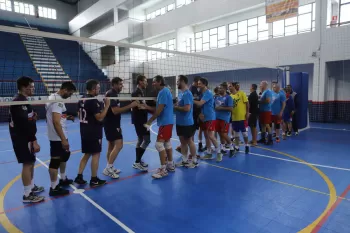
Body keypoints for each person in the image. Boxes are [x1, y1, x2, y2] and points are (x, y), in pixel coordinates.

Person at [9, 76, 44, 203]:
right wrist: (34, 140)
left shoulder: (23, 101)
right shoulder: (18, 101)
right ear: (24, 87)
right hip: (22, 139)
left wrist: (32, 117)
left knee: (31, 162)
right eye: (31, 86)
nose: (33, 88)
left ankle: (31, 186)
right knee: (27, 163)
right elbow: (23, 124)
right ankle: (27, 194)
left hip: (26, 137)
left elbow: (27, 119)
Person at [74, 79, 110, 187]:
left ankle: (79, 176)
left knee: (87, 154)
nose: (99, 90)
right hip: (93, 131)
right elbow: (99, 118)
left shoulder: (81, 99)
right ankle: (94, 179)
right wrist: (107, 105)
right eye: (98, 88)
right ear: (94, 89)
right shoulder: (93, 101)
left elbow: (78, 113)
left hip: (84, 130)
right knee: (96, 154)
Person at [103, 77, 139, 178]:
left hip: (110, 123)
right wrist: (131, 105)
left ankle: (109, 166)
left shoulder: (110, 93)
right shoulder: (112, 94)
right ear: (114, 84)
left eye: (121, 84)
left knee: (111, 145)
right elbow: (115, 111)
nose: (122, 86)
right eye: (120, 84)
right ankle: (108, 168)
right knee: (119, 145)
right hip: (111, 124)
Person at [45, 81, 77, 196]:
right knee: (55, 161)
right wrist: (63, 139)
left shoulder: (53, 96)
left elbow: (57, 116)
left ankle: (63, 179)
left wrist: (67, 117)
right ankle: (53, 188)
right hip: (58, 137)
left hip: (59, 135)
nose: (70, 96)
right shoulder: (57, 100)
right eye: (70, 93)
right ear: (65, 90)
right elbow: (56, 121)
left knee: (65, 156)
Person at [144, 75, 175, 179]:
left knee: (158, 144)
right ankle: (170, 164)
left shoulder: (163, 92)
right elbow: (158, 108)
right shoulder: (164, 91)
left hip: (165, 122)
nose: (153, 84)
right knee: (167, 143)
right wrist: (147, 107)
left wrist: (149, 121)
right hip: (168, 121)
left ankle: (163, 169)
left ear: (160, 82)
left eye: (154, 82)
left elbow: (159, 110)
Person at [194, 78, 220, 160]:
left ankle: (219, 153)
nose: (198, 85)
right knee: (206, 136)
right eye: (198, 83)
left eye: (200, 84)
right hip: (203, 117)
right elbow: (200, 106)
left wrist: (190, 99)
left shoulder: (208, 93)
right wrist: (200, 113)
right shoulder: (201, 93)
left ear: (205, 84)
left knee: (211, 136)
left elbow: (200, 103)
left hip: (210, 117)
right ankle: (209, 153)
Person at [174, 75, 197, 168]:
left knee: (189, 141)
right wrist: (176, 105)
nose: (176, 83)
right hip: (179, 122)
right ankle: (184, 160)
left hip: (187, 122)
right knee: (182, 142)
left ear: (183, 81)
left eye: (178, 81)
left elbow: (187, 108)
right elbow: (179, 105)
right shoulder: (180, 94)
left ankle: (194, 160)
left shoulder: (187, 93)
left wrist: (176, 107)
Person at [131, 75, 151, 171]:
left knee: (140, 139)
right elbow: (140, 106)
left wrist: (146, 106)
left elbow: (143, 105)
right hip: (140, 120)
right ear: (140, 82)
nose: (146, 83)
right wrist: (149, 107)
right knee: (147, 140)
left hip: (140, 119)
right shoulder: (136, 92)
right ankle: (137, 162)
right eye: (145, 81)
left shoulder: (141, 92)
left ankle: (138, 160)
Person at [229, 82, 250, 155]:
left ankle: (247, 145)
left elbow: (247, 103)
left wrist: (247, 112)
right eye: (228, 86)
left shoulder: (241, 93)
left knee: (244, 133)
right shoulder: (230, 96)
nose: (229, 88)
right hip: (234, 118)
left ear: (234, 86)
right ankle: (237, 146)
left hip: (242, 117)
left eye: (230, 86)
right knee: (236, 134)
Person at [215, 83, 234, 160]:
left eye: (221, 88)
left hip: (225, 118)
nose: (219, 89)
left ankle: (232, 148)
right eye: (219, 88)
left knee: (224, 134)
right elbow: (214, 107)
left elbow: (230, 109)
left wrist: (220, 108)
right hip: (217, 118)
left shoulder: (228, 98)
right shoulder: (216, 97)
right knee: (220, 134)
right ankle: (223, 148)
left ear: (225, 89)